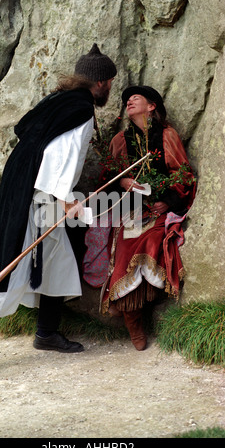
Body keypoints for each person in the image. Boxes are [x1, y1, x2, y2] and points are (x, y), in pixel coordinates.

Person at [0, 43, 117, 375]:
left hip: (26, 184)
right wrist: (68, 199)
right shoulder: (82, 109)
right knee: (15, 263)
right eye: (110, 82)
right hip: (36, 194)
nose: (110, 87)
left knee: (57, 260)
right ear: (100, 82)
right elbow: (58, 158)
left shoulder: (59, 100)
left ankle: (47, 332)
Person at [83, 85, 196, 351]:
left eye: (136, 98)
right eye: (126, 100)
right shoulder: (121, 140)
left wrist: (166, 200)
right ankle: (133, 322)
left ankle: (142, 310)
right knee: (124, 251)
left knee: (154, 241)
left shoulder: (167, 136)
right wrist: (122, 182)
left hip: (158, 212)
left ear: (152, 106)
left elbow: (183, 175)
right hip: (130, 211)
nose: (129, 101)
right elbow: (106, 180)